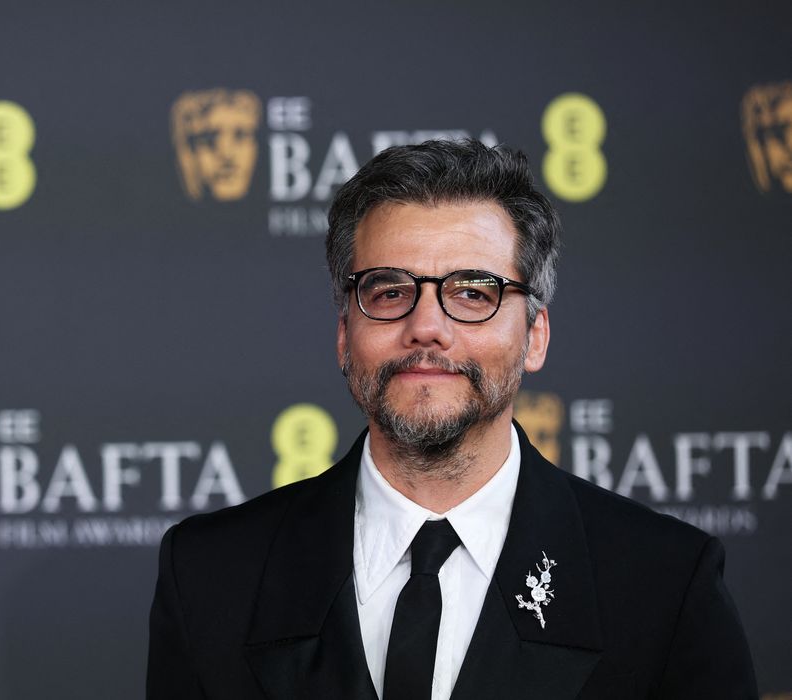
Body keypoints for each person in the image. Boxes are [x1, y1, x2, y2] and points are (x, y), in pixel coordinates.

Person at [147, 140, 757, 699]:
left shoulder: (665, 583)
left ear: (535, 336)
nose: (427, 327)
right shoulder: (209, 576)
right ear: (343, 335)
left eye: (472, 293)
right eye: (389, 292)